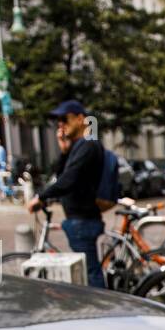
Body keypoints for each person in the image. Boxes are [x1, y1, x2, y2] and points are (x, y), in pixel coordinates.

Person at [28, 101, 105, 288]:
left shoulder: (88, 145)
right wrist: (63, 150)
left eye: (64, 119)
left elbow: (68, 180)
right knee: (90, 272)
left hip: (82, 220)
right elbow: (61, 174)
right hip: (80, 219)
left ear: (80, 119)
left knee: (91, 274)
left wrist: (41, 197)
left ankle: (105, 313)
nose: (60, 124)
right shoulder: (79, 146)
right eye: (58, 121)